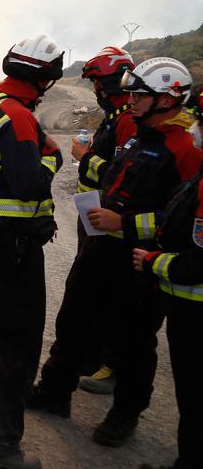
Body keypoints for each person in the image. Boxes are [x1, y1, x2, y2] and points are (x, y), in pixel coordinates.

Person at [29, 56, 200, 448]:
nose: (132, 100)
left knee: (134, 342)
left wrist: (123, 224)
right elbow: (116, 182)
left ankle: (125, 413)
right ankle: (54, 392)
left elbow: (182, 220)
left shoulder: (185, 149)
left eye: (141, 94)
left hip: (139, 262)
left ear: (168, 99)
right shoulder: (141, 138)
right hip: (99, 249)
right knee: (73, 323)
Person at [0, 34, 65, 469]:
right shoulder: (19, 117)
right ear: (46, 78)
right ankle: (0, 447)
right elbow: (28, 182)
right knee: (18, 341)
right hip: (13, 243)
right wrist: (53, 157)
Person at [65, 47, 136, 396]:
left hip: (110, 220)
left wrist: (85, 156)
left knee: (108, 293)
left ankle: (111, 363)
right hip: (93, 213)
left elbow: (119, 175)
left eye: (95, 82)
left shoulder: (127, 120)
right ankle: (91, 357)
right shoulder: (116, 116)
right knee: (92, 290)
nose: (94, 90)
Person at [133, 168, 203, 469]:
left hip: (195, 313)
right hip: (188, 307)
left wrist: (152, 261)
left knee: (195, 399)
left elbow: (197, 264)